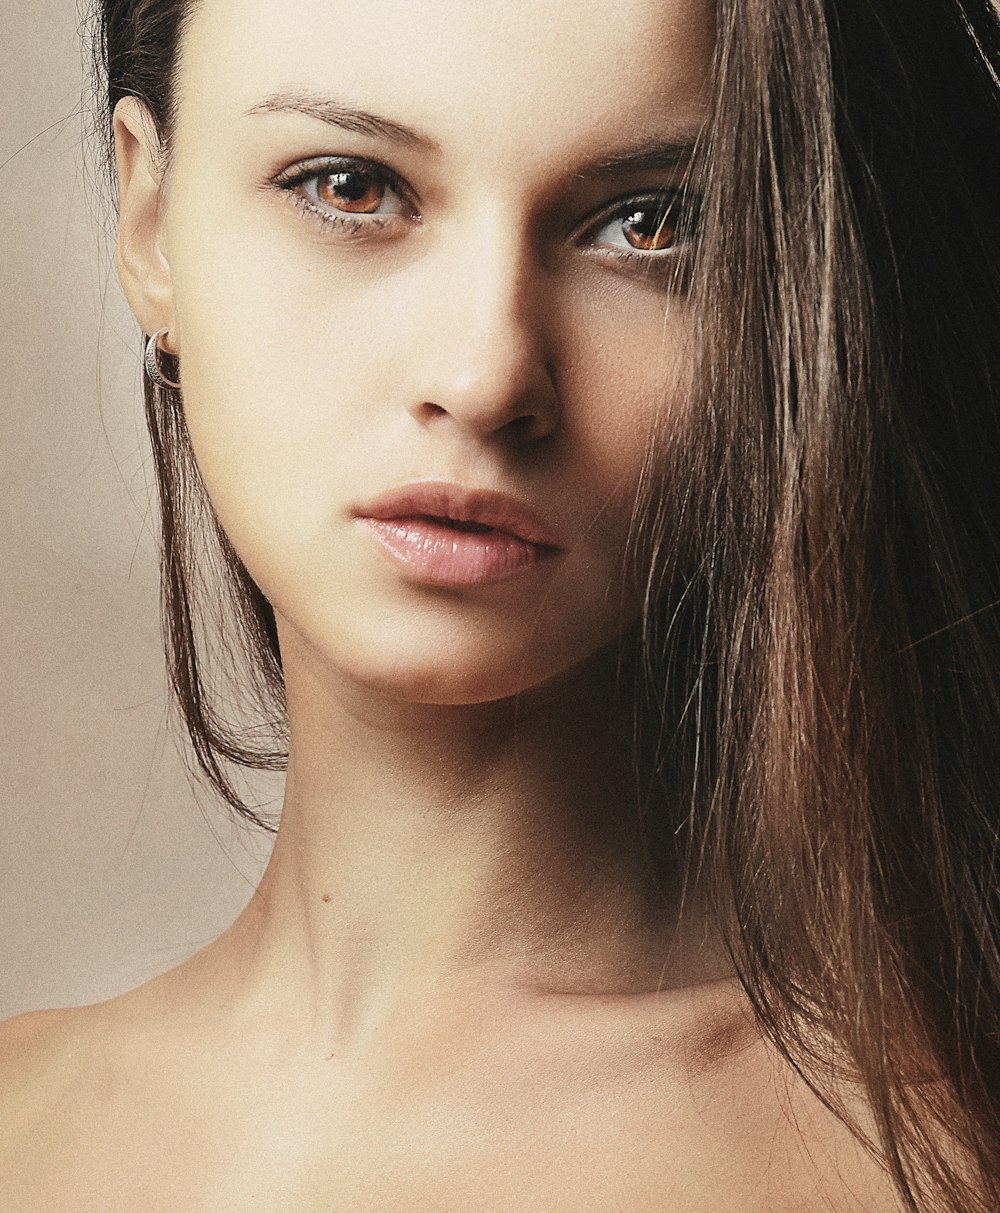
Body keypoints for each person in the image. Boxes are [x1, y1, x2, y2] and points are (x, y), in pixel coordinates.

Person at [1, 0, 998, 1208]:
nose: (483, 375)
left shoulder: (938, 1152)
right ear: (150, 219)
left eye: (651, 223)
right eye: (350, 187)